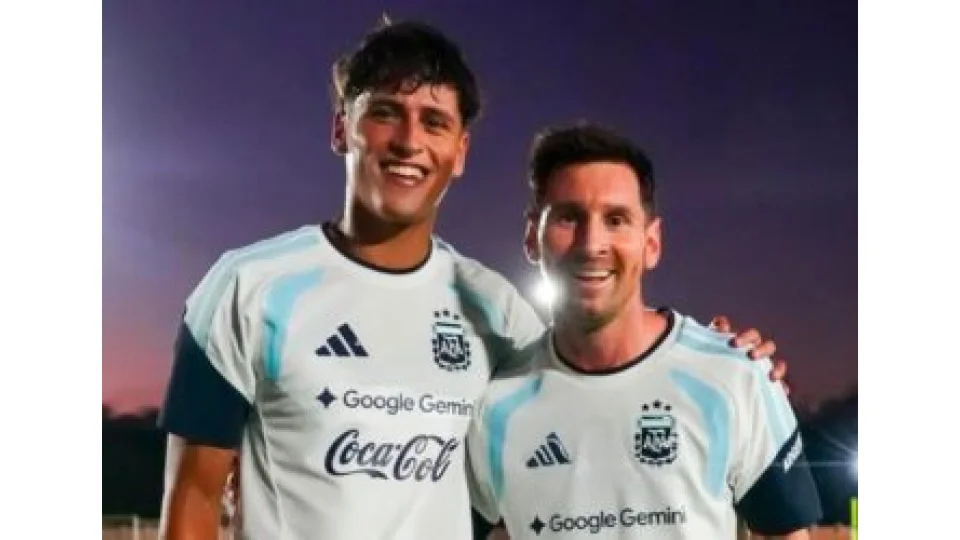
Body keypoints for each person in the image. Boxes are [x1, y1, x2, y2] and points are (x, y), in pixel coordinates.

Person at [158, 20, 788, 540]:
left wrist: (735, 372)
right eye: (385, 113)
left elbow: (590, 388)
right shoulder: (249, 288)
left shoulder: (498, 312)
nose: (409, 141)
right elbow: (192, 503)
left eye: (434, 122)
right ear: (341, 129)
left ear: (460, 151)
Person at [467, 124, 822, 539]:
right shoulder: (495, 405)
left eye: (616, 219)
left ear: (651, 242)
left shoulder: (737, 376)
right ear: (532, 237)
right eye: (568, 217)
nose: (592, 244)